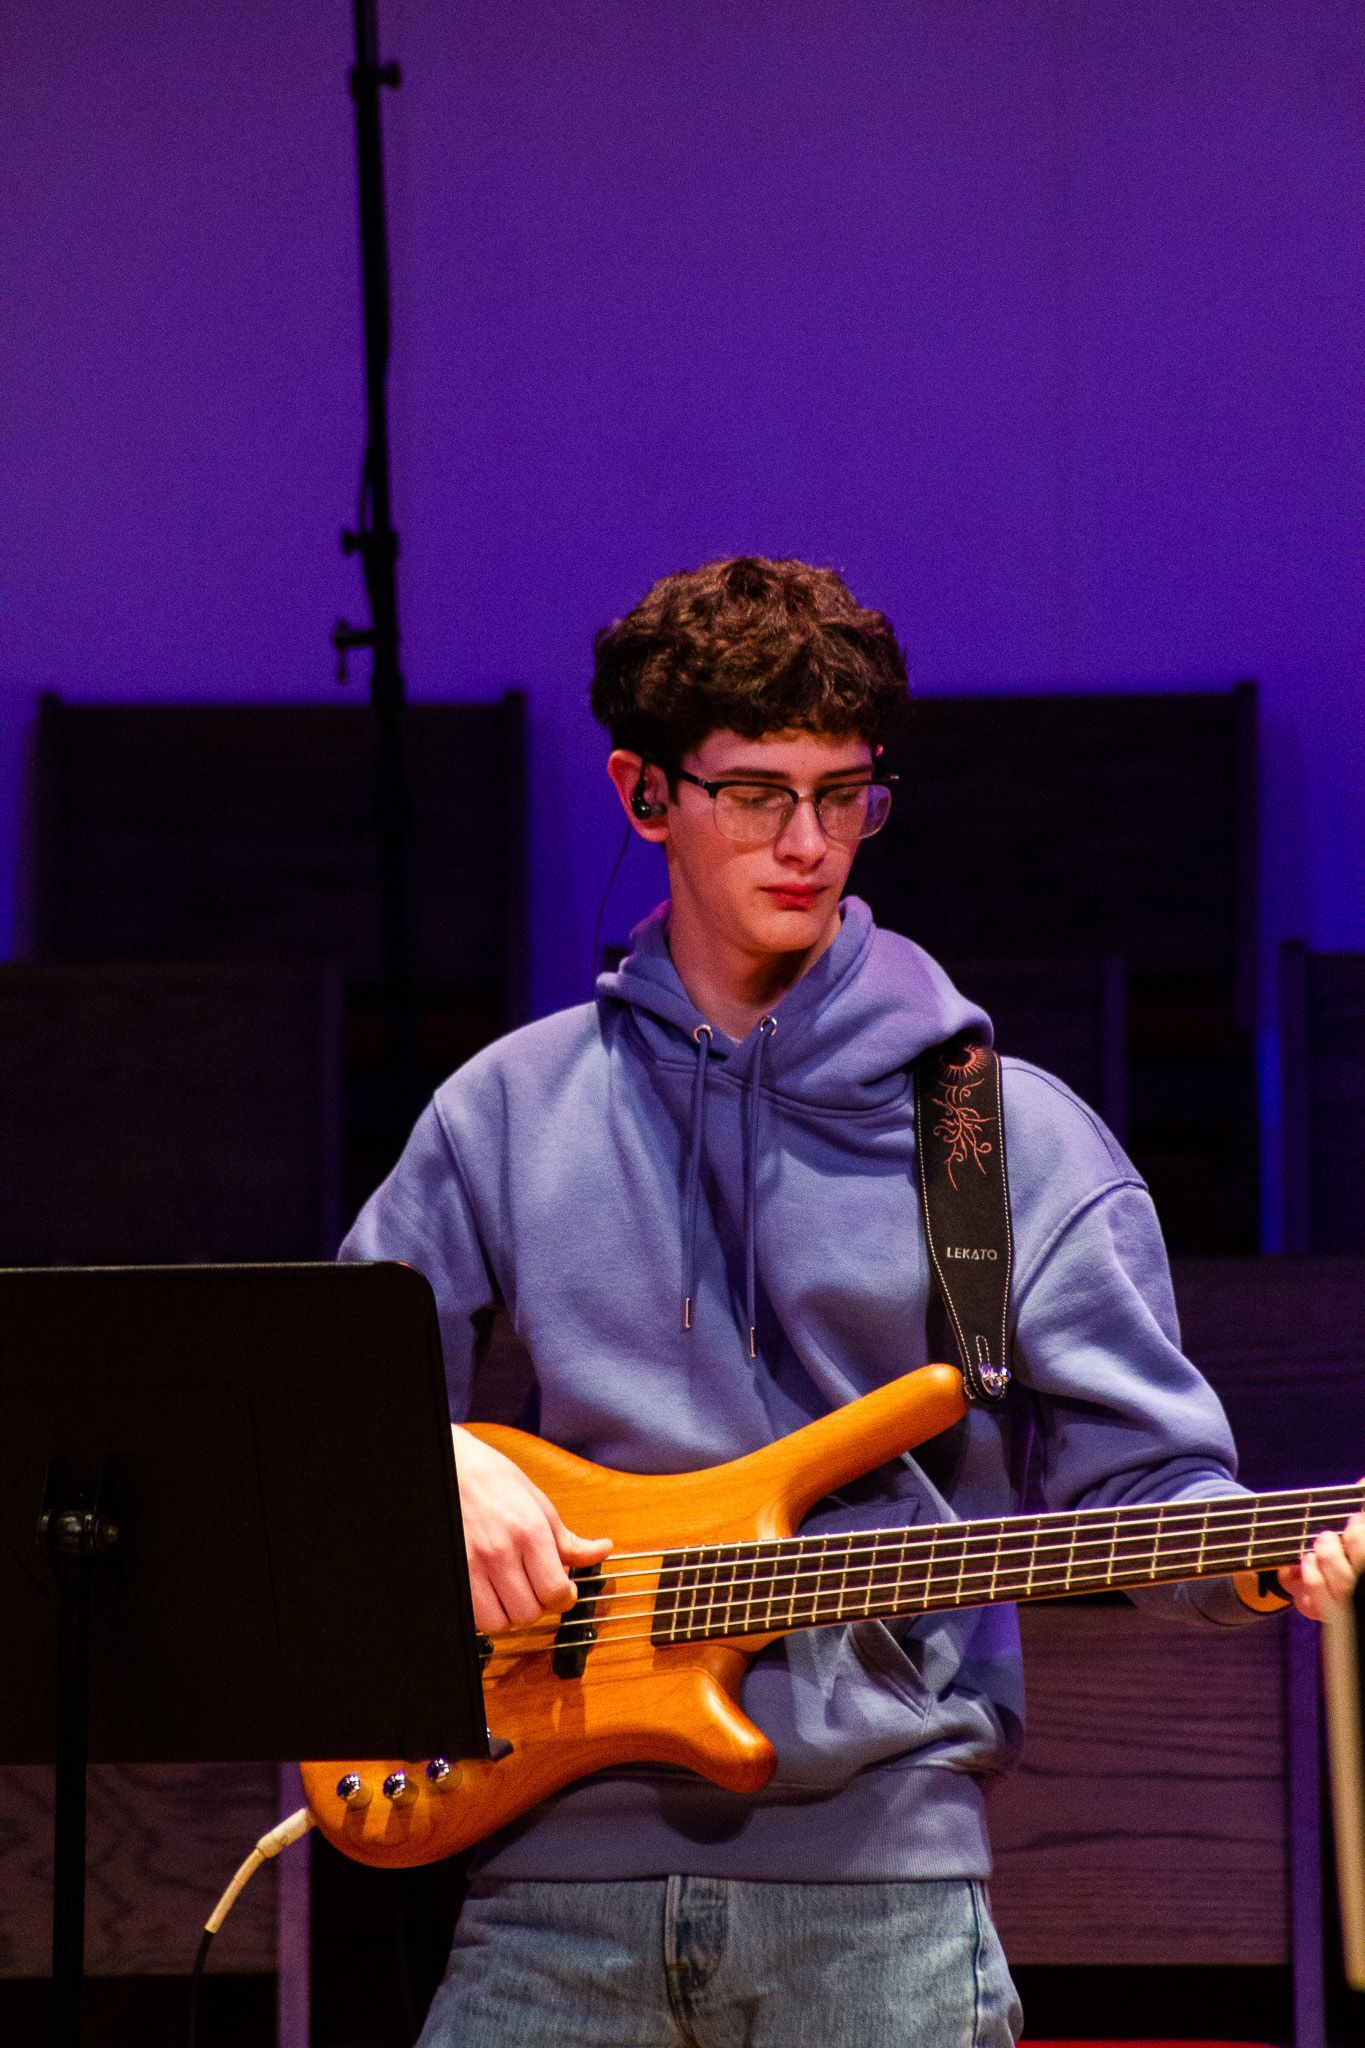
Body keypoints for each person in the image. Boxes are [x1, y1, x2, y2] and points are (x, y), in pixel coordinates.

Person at [341, 556, 1364, 2048]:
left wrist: (1257, 1560)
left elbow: (1141, 1483)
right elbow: (305, 1421)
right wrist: (440, 1456)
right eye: (756, 793)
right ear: (644, 795)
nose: (809, 842)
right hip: (545, 1874)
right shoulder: (510, 1107)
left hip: (879, 1901)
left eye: (845, 793)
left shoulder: (996, 1136)